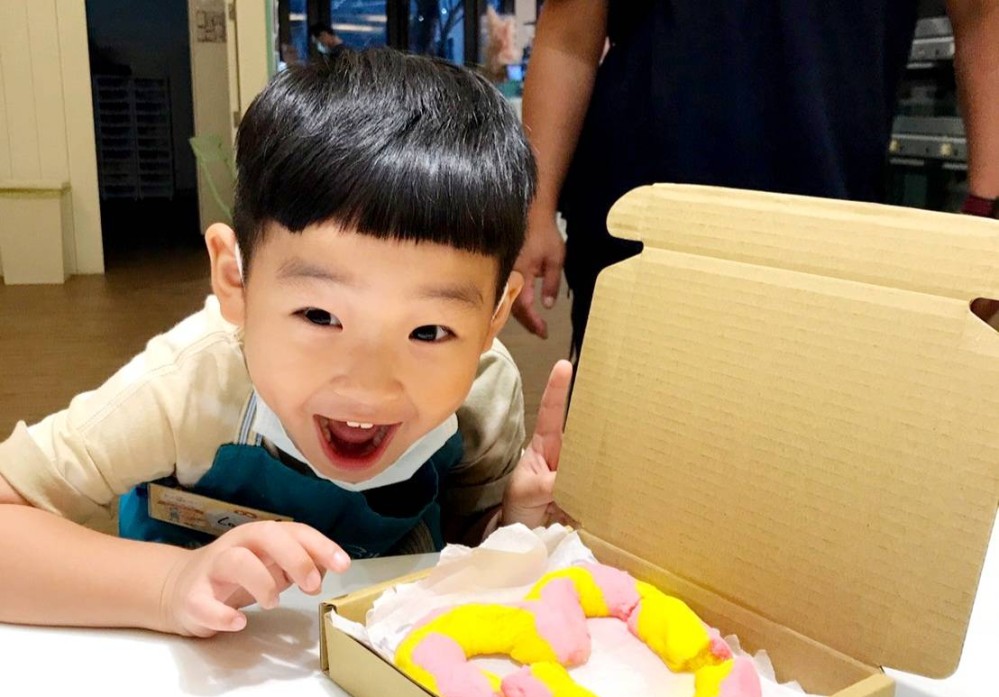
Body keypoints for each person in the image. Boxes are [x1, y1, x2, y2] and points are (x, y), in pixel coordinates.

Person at [0, 50, 572, 638]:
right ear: (236, 281)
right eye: (320, 316)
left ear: (494, 315)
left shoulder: (482, 391)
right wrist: (170, 584)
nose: (368, 386)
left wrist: (516, 521)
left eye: (428, 332)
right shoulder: (190, 383)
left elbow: (460, 543)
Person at [512, 1, 999, 358]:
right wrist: (534, 209)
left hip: (830, 226)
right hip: (646, 223)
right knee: (625, 450)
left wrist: (988, 213)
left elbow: (982, 17)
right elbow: (569, 33)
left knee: (815, 446)